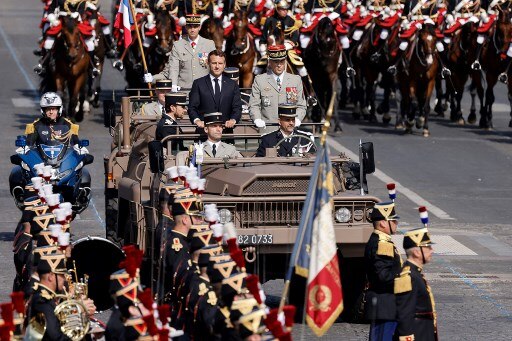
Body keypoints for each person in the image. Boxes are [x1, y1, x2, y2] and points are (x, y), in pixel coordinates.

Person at [27, 252, 96, 340]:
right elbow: (55, 337)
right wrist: (78, 309)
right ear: (51, 276)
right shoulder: (41, 301)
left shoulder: (47, 296)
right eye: (61, 275)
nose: (64, 278)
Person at [145, 14, 216, 91]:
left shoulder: (209, 44)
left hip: (204, 91)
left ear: (199, 27)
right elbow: (172, 69)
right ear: (186, 27)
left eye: (195, 27)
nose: (192, 30)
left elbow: (216, 67)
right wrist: (152, 78)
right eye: (190, 27)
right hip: (184, 92)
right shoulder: (178, 45)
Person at [364, 201, 402, 341]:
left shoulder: (383, 241)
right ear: (383, 223)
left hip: (387, 307)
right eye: (393, 220)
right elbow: (384, 276)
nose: (396, 223)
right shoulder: (382, 244)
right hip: (385, 307)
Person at [248, 45, 306, 131]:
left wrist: (297, 119)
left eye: (282, 61)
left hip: (289, 129)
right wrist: (257, 119)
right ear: (270, 62)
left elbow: (301, 105)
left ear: (285, 61)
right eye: (276, 62)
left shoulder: (295, 80)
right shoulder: (260, 80)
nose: (279, 65)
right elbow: (254, 105)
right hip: (268, 130)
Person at [395, 227, 438, 341]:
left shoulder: (416, 274)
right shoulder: (408, 276)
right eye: (427, 247)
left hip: (424, 332)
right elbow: (404, 314)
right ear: (416, 252)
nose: (432, 250)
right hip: (417, 334)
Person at [188, 50, 242, 132]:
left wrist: (233, 120)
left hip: (226, 133)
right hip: (203, 133)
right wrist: (197, 120)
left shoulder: (232, 84)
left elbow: (237, 108)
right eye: (214, 63)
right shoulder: (198, 83)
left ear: (224, 65)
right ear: (208, 63)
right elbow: (192, 107)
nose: (217, 66)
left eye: (220, 63)